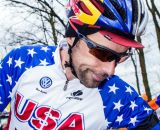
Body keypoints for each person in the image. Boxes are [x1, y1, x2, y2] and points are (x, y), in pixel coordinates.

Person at [0, 0, 160, 129]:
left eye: (120, 58)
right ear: (72, 36)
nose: (110, 70)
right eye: (102, 53)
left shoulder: (117, 95)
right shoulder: (23, 61)